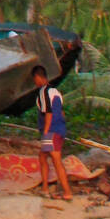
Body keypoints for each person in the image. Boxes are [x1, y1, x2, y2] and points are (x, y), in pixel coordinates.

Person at [34, 64, 72, 200]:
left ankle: (67, 192)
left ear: (38, 77)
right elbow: (61, 112)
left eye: (34, 79)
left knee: (56, 160)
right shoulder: (56, 91)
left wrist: (46, 132)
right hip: (59, 129)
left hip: (51, 130)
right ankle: (45, 188)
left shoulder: (43, 92)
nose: (35, 82)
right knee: (42, 156)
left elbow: (48, 113)